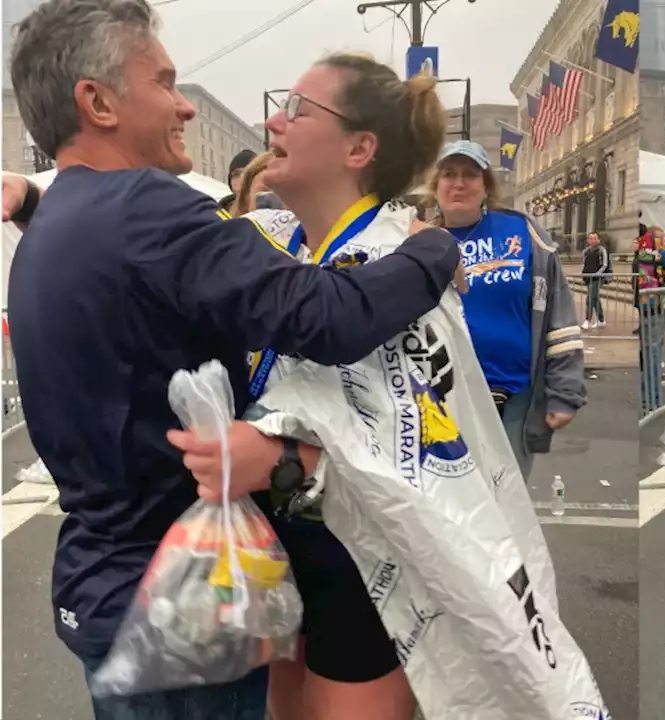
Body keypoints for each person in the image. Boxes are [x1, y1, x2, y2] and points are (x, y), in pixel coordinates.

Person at [2, 1, 461, 717]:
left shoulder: (56, 225)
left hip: (115, 583)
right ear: (96, 101)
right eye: (163, 82)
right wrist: (435, 247)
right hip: (178, 597)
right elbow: (330, 316)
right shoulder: (144, 208)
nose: (184, 105)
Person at [426, 139, 585, 480]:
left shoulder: (523, 232)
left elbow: (561, 319)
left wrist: (564, 392)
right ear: (435, 187)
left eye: (470, 175)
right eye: (449, 174)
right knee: (450, 508)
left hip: (514, 398)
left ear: (486, 187)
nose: (458, 183)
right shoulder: (419, 241)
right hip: (441, 401)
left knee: (509, 504)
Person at [635, 226, 665, 413]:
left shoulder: (641, 254)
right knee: (653, 355)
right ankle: (653, 400)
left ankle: (647, 398)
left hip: (646, 306)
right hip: (653, 306)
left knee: (649, 353)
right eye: (661, 237)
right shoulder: (655, 255)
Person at [581, 231, 612, 329]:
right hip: (587, 278)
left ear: (598, 240)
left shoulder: (602, 250)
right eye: (590, 238)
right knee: (595, 299)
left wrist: (597, 274)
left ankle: (588, 320)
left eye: (595, 238)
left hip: (597, 279)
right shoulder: (586, 251)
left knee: (589, 298)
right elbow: (583, 263)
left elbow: (605, 264)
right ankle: (601, 320)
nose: (592, 240)